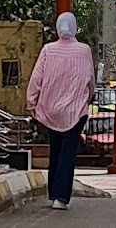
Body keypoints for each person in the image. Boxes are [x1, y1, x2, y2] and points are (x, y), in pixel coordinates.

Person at [26, 13, 95, 211]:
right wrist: (87, 98)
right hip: (75, 110)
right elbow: (90, 80)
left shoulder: (48, 50)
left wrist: (32, 102)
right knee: (67, 153)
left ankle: (54, 192)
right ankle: (61, 196)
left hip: (51, 110)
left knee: (55, 150)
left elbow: (36, 78)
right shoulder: (84, 50)